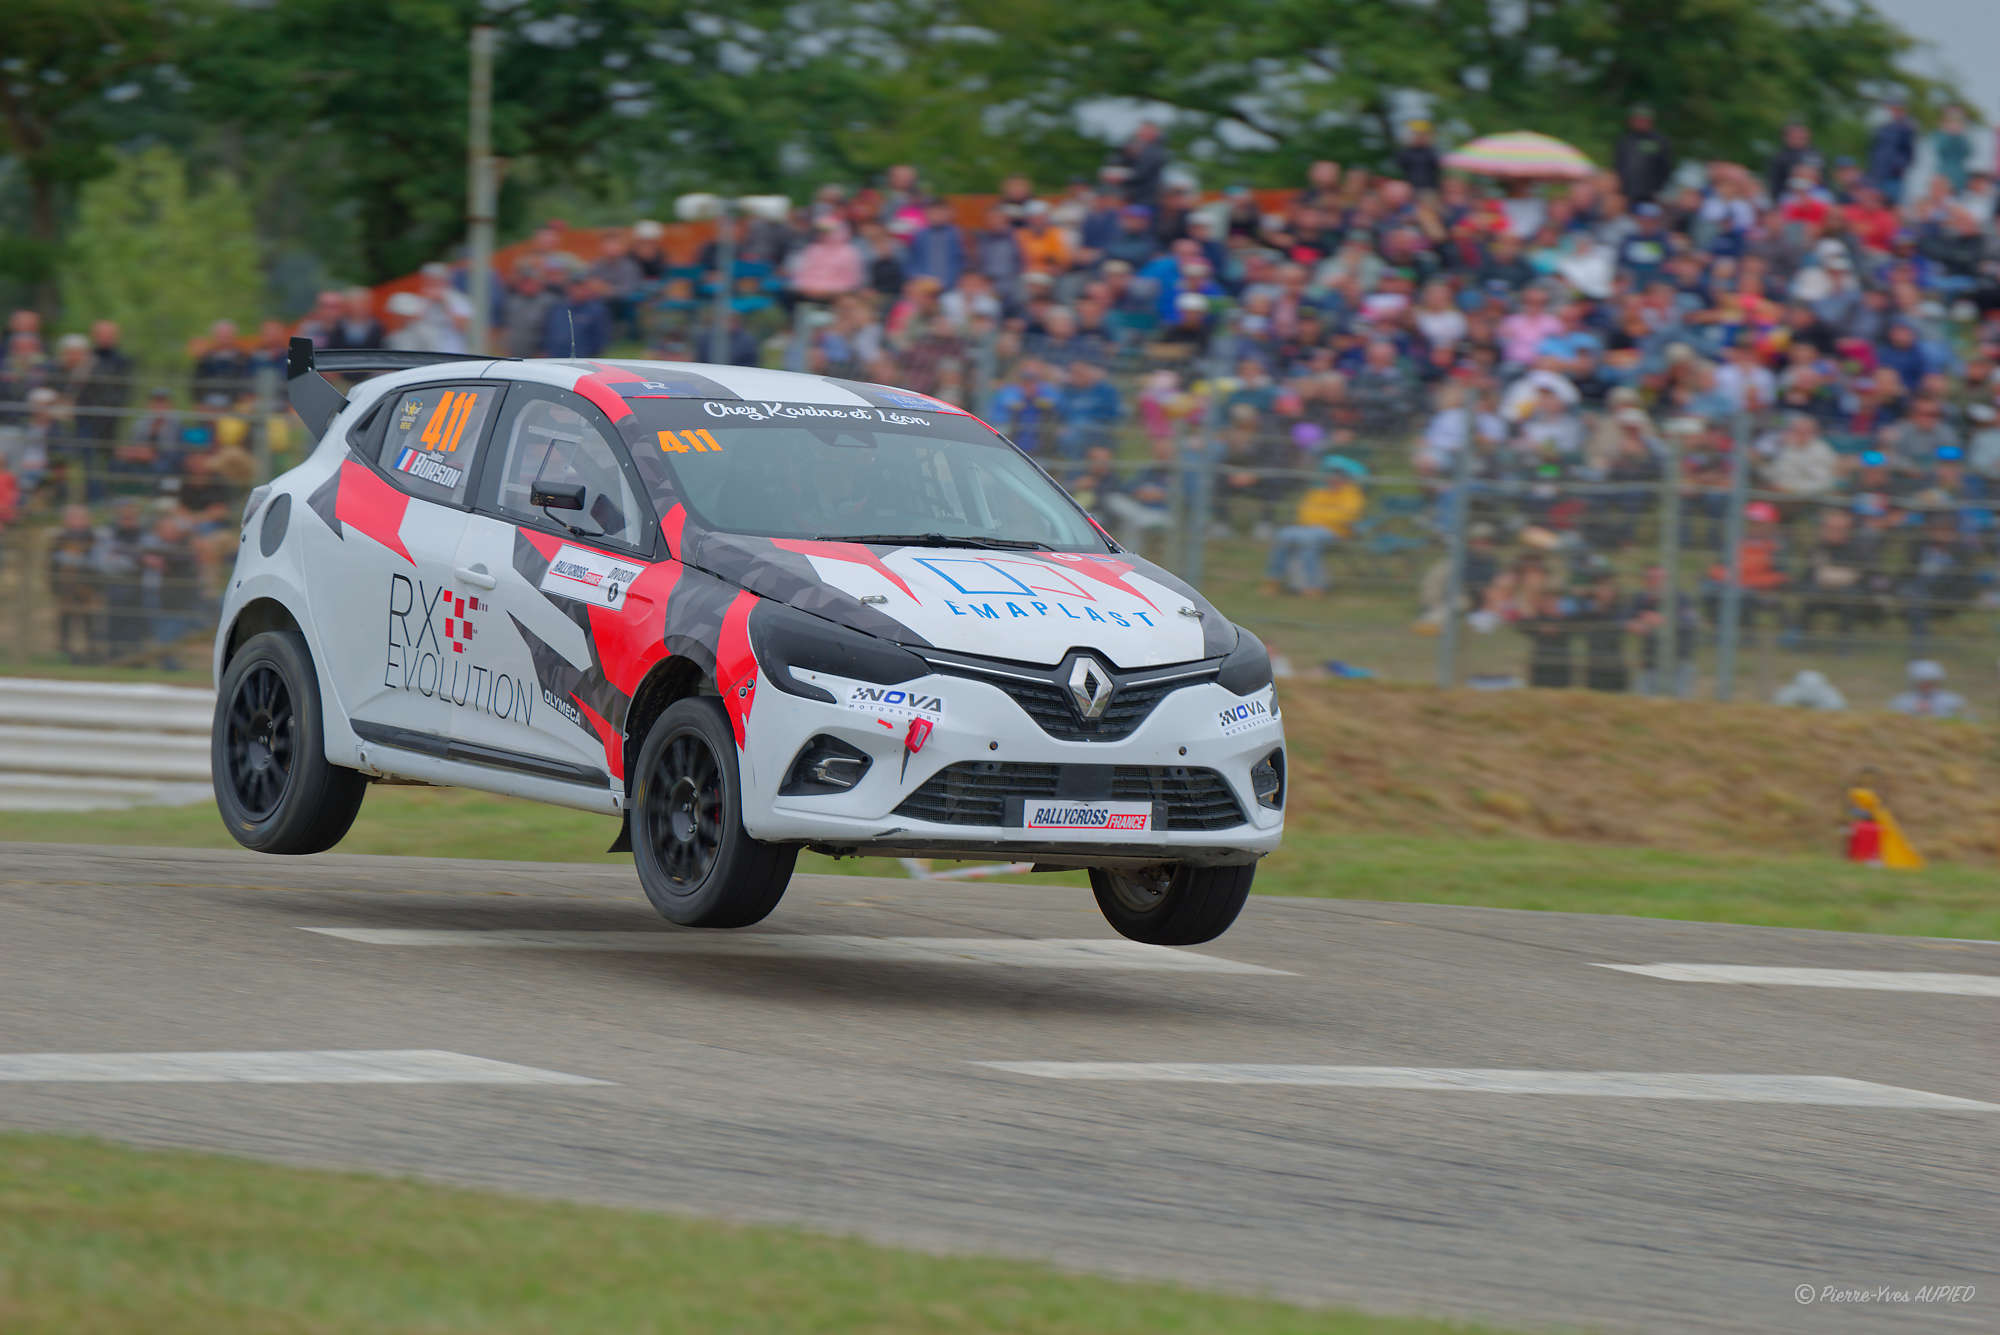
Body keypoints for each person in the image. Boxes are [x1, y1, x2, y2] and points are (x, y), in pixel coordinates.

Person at [1262, 455, 1365, 596]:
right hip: (1309, 528)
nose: (1333, 478)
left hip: (1336, 532)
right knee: (1283, 535)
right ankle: (1273, 580)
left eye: (1338, 475)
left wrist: (1320, 515)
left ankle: (1313, 585)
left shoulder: (1353, 495)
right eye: (1331, 474)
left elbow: (1347, 516)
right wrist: (1328, 515)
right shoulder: (1318, 492)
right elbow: (1304, 514)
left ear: (1346, 477)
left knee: (1308, 540)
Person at [1614, 106, 1675, 204]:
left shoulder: (1660, 141)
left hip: (1650, 194)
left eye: (1643, 120)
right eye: (1636, 120)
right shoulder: (1625, 140)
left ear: (1650, 122)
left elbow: (1666, 167)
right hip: (1625, 192)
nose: (1640, 123)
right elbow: (1618, 164)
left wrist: (1658, 190)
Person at [1887, 659, 1968, 719]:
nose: (1927, 685)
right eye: (1923, 682)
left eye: (1931, 682)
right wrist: (1914, 709)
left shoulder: (1952, 700)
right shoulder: (1902, 701)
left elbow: (1965, 718)